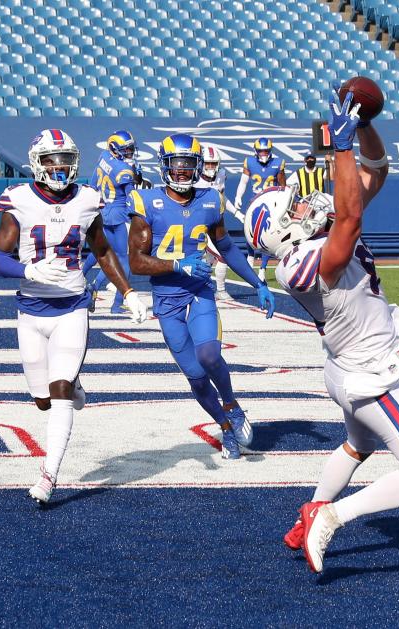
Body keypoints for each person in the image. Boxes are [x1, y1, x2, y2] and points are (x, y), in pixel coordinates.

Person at [248, 91, 399, 574]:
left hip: (344, 367)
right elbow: (351, 217)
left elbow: (377, 170)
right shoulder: (300, 264)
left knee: (357, 447)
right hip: (368, 376)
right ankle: (332, 516)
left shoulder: (313, 237)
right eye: (294, 210)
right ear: (283, 233)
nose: (303, 206)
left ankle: (307, 517)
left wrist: (362, 127)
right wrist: (340, 150)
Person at [0, 129, 149, 505]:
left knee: (58, 393)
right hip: (30, 310)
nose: (59, 167)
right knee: (43, 399)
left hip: (73, 306)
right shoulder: (19, 199)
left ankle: (49, 475)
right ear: (37, 162)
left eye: (65, 160)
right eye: (51, 160)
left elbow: (104, 250)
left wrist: (128, 292)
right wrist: (26, 272)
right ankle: (73, 387)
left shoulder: (88, 199)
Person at [128, 133, 276, 459]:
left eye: (187, 165)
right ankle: (225, 427)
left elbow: (224, 246)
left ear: (197, 167)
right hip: (167, 299)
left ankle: (233, 406)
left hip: (199, 293)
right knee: (195, 377)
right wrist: (177, 264)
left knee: (209, 356)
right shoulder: (145, 202)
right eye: (175, 165)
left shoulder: (210, 200)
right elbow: (136, 262)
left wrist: (257, 284)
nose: (181, 172)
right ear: (164, 166)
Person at [82, 130, 139, 313]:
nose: (129, 153)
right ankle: (116, 303)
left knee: (102, 250)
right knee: (124, 260)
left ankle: (83, 278)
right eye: (126, 150)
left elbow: (92, 183)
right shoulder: (124, 171)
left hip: (102, 210)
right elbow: (132, 197)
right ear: (115, 149)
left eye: (130, 149)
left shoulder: (104, 155)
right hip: (119, 216)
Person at [195, 144, 245, 301]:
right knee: (222, 256)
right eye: (208, 163)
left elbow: (222, 198)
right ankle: (220, 290)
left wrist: (237, 213)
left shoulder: (221, 175)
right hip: (200, 225)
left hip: (216, 223)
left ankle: (199, 287)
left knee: (209, 259)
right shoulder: (194, 179)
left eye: (213, 163)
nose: (210, 167)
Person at [233, 137, 286, 281]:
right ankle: (250, 257)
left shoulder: (277, 163)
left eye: (266, 151)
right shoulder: (249, 162)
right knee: (249, 230)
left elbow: (283, 186)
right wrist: (238, 197)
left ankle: (262, 267)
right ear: (255, 151)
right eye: (261, 151)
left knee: (268, 235)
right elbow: (243, 182)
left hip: (271, 202)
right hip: (255, 200)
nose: (263, 153)